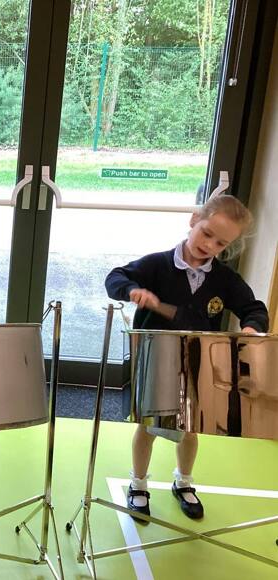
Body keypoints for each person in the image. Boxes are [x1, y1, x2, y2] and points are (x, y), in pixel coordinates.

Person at [106, 194, 269, 522]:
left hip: (198, 362)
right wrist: (133, 291)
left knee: (192, 428)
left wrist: (252, 327)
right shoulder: (157, 265)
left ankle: (183, 481)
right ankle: (138, 484)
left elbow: (254, 308)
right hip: (155, 357)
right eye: (207, 233)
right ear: (194, 220)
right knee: (148, 427)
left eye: (221, 243)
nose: (209, 245)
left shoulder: (224, 279)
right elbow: (116, 278)